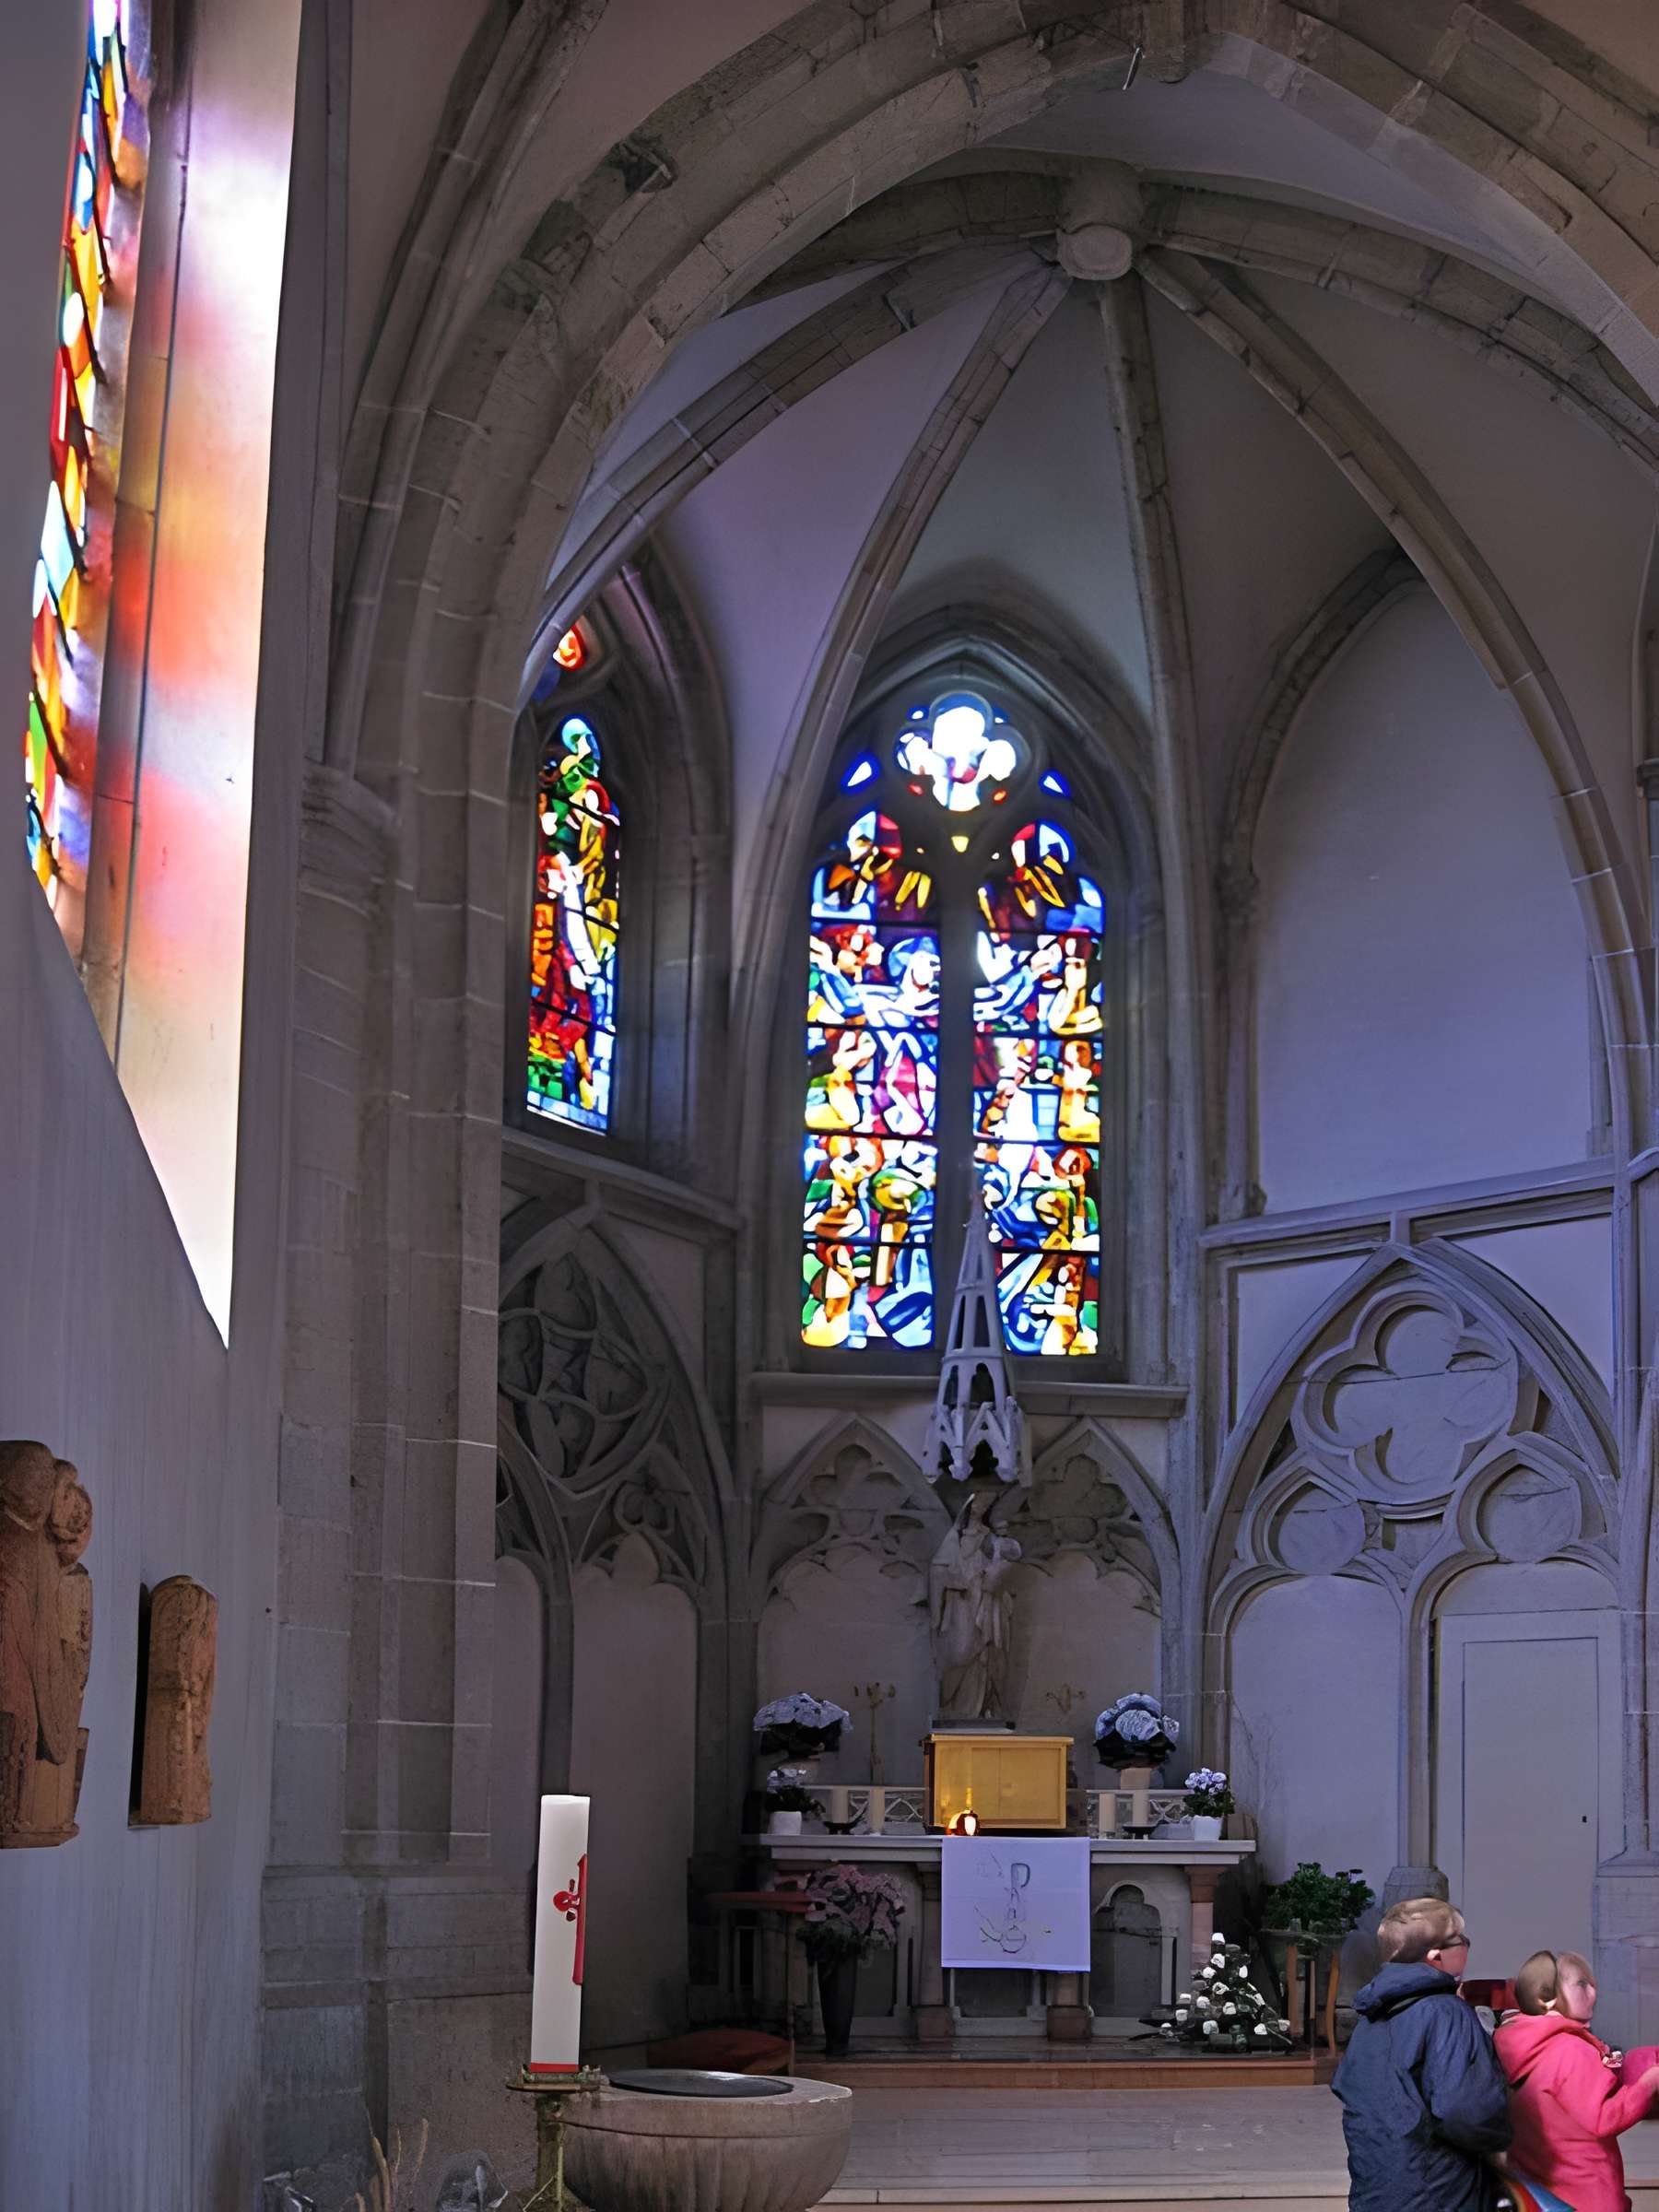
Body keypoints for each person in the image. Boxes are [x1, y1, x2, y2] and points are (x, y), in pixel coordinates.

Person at [1335, 1895, 1512, 2211]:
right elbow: (1467, 2110)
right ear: (1436, 1956)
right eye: (1460, 1940)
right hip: (1438, 2193)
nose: (1466, 1946)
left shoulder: (1371, 2017)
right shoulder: (1447, 2013)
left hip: (1377, 2190)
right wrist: (1503, 2140)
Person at [1495, 1948, 1659, 2212]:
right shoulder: (1570, 2050)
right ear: (1546, 1998)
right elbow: (1605, 2117)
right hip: (1587, 2194)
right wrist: (1649, 2082)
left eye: (1593, 1985)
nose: (1593, 1994)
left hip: (1542, 2193)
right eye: (1581, 1985)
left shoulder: (1522, 2045)